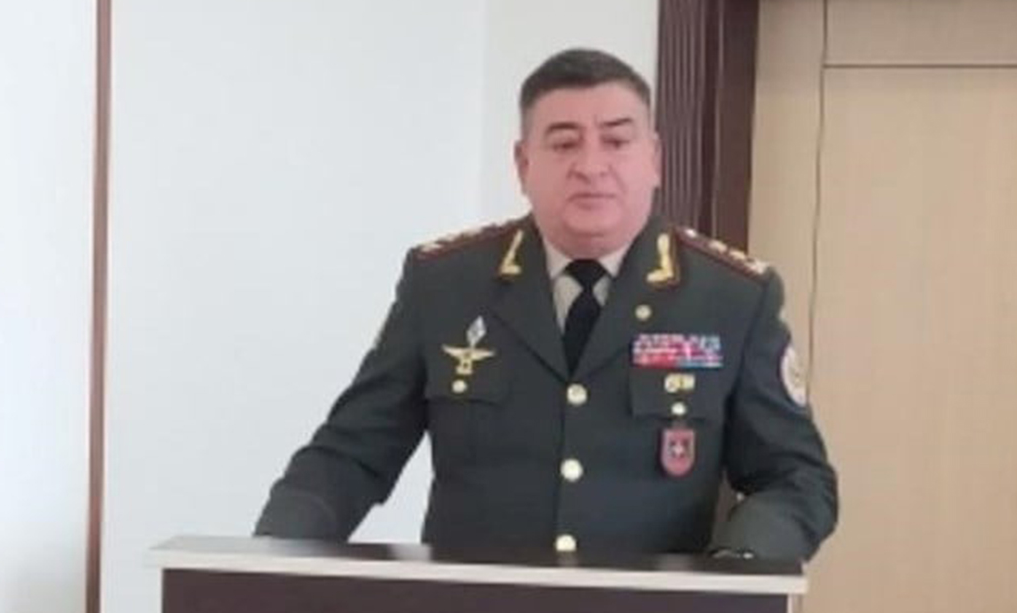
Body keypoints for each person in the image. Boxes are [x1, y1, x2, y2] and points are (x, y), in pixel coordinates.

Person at [255, 48, 837, 561]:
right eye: (563, 143)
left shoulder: (731, 297)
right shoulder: (446, 284)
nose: (591, 166)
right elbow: (351, 455)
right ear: (522, 163)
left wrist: (738, 565)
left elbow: (795, 479)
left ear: (654, 158)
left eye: (616, 140)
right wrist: (271, 556)